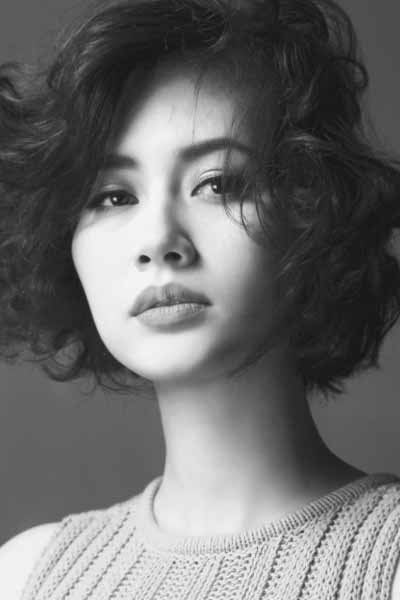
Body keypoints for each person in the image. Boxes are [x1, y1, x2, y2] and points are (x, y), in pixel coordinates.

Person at [1, 0, 400, 598]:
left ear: (310, 213)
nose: (159, 240)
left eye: (218, 184)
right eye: (113, 196)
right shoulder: (25, 575)